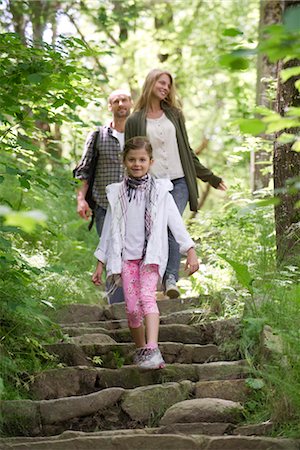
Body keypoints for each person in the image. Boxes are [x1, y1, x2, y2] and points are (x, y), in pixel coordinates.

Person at [92, 137, 199, 369]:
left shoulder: (161, 192)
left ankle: (153, 348)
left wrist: (189, 250)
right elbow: (109, 230)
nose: (137, 164)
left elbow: (175, 223)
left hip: (150, 257)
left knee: (148, 298)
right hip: (127, 260)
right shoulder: (117, 194)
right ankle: (142, 350)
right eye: (132, 159)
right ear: (124, 162)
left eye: (142, 160)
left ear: (150, 161)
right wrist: (100, 261)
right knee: (131, 309)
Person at [125, 69, 226, 299]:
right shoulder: (134, 120)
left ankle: (170, 278)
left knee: (171, 225)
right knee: (153, 230)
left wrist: (210, 177)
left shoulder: (174, 115)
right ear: (151, 83)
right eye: (161, 83)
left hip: (178, 181)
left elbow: (186, 151)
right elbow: (130, 155)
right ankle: (149, 279)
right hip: (152, 184)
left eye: (168, 85)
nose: (165, 88)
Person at [75, 89, 132, 304]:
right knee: (109, 250)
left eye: (124, 100)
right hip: (103, 204)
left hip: (133, 204)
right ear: (110, 106)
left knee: (131, 251)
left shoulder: (138, 134)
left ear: (131, 103)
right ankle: (116, 303)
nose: (120, 104)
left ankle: (133, 300)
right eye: (115, 101)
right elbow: (84, 170)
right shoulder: (98, 135)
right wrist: (81, 198)